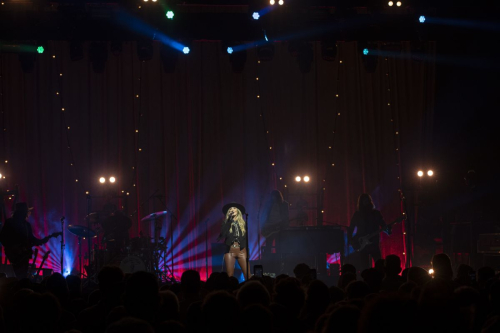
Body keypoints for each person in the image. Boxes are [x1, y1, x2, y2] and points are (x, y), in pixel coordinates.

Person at [0, 202, 59, 279]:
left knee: (21, 276)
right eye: (25, 212)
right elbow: (3, 238)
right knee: (20, 276)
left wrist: (47, 238)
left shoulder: (26, 225)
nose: (26, 214)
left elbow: (32, 239)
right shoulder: (10, 223)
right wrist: (13, 248)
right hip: (16, 254)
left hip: (22, 254)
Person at [347, 194, 391, 272]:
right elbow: (350, 229)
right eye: (364, 200)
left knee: (379, 266)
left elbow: (383, 225)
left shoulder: (376, 213)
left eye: (367, 200)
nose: (366, 202)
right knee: (365, 268)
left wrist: (388, 230)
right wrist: (352, 242)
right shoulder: (357, 214)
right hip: (362, 244)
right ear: (361, 202)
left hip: (374, 243)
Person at [217, 203, 248, 279]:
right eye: (230, 209)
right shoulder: (226, 223)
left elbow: (246, 238)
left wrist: (246, 250)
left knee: (247, 273)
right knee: (230, 274)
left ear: (237, 211)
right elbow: (223, 234)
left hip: (241, 250)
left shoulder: (243, 223)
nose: (232, 210)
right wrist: (229, 221)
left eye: (233, 208)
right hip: (230, 250)